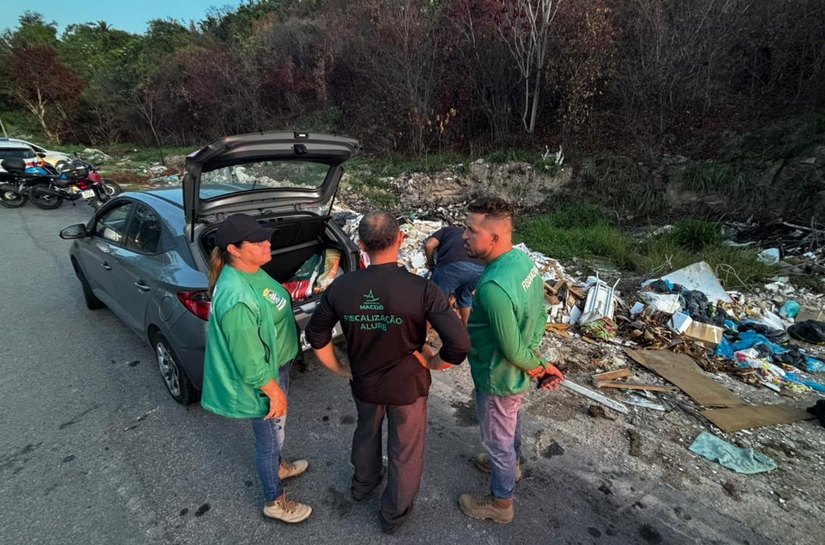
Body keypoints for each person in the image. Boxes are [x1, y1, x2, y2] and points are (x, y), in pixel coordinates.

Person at [305, 211, 470, 534]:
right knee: (405, 450)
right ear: (400, 239)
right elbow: (459, 344)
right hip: (408, 386)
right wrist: (433, 362)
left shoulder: (342, 288)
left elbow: (316, 336)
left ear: (361, 244)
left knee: (366, 432)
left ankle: (363, 484)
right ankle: (393, 515)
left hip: (364, 381)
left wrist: (340, 368)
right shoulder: (422, 289)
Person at [200, 213, 316, 524]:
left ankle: (278, 466)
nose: (268, 243)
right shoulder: (236, 296)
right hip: (264, 376)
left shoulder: (252, 270)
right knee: (269, 441)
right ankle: (273, 500)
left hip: (278, 363)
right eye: (258, 240)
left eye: (266, 237)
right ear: (234, 249)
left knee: (274, 434)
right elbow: (248, 360)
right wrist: (273, 391)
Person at [457, 197, 564, 525]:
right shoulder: (522, 262)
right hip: (515, 374)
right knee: (511, 421)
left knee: (497, 438)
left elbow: (514, 352)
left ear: (493, 238)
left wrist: (542, 368)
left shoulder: (492, 288)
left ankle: (500, 504)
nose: (463, 235)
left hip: (498, 376)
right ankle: (511, 466)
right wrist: (537, 359)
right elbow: (541, 311)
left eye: (470, 230)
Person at [424, 225, 485, 325]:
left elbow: (429, 245)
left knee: (435, 299)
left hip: (453, 265)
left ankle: (423, 335)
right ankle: (466, 331)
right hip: (480, 269)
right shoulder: (469, 236)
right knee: (465, 297)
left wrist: (431, 264)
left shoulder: (445, 230)